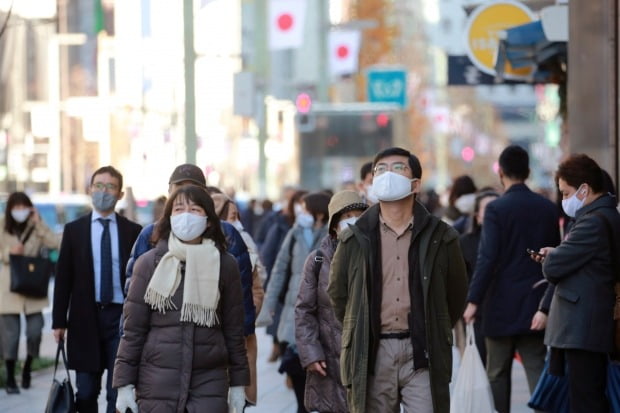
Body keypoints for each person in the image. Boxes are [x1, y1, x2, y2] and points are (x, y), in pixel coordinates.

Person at [328, 147, 469, 413]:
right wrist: (358, 325)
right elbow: (339, 294)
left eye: (397, 168)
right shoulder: (354, 238)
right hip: (373, 351)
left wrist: (435, 324)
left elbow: (456, 293)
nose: (387, 174)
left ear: (415, 184)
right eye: (380, 170)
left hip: (422, 352)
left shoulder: (442, 236)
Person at [113, 185, 249, 413]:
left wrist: (238, 385)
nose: (186, 215)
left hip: (209, 383)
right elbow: (133, 330)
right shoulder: (148, 264)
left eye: (195, 209)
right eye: (179, 209)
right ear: (169, 218)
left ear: (208, 220)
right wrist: (124, 385)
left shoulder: (226, 265)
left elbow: (234, 331)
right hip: (157, 382)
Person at [463, 145, 561, 413]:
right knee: (538, 369)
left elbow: (488, 258)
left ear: (501, 173)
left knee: (497, 373)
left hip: (500, 305)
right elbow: (555, 258)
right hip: (535, 303)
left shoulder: (496, 209)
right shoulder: (548, 208)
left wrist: (473, 301)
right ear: (528, 172)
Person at [124, 164, 255, 342]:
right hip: (161, 345)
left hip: (212, 344)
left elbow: (241, 291)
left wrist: (243, 337)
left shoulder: (227, 234)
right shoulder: (151, 234)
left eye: (193, 191)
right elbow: (133, 292)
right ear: (169, 192)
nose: (185, 197)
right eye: (179, 189)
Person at [52, 166, 142, 413]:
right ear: (90, 190)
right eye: (99, 186)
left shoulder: (132, 231)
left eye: (110, 187)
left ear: (120, 194)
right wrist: (58, 322)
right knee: (87, 390)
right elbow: (63, 278)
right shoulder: (74, 231)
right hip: (84, 319)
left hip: (120, 320)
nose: (104, 191)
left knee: (119, 391)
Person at [535, 154, 620, 413]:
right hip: (589, 324)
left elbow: (553, 267)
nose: (564, 200)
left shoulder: (592, 222)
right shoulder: (604, 216)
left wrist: (553, 258)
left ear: (585, 189)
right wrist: (559, 253)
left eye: (566, 192)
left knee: (586, 398)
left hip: (583, 327)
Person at [257, 191, 331, 413]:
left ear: (319, 213)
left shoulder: (332, 235)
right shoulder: (295, 233)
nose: (301, 213)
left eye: (305, 209)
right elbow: (279, 270)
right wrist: (269, 305)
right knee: (298, 370)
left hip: (324, 312)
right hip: (294, 310)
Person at [295, 190, 368, 413]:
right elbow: (304, 311)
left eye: (358, 215)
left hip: (366, 360)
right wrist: (311, 354)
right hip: (329, 361)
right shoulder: (317, 261)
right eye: (346, 217)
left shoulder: (377, 256)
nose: (352, 221)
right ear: (335, 225)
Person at [0, 192, 59, 393]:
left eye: (23, 206)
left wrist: (38, 222)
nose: (20, 211)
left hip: (34, 285)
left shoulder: (37, 225)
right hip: (9, 287)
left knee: (35, 331)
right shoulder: (2, 225)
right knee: (10, 335)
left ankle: (27, 367)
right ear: (10, 209)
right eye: (15, 207)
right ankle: (10, 378)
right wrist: (8, 253)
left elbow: (55, 243)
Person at [213, 193, 266, 406]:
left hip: (238, 337)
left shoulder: (243, 241)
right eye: (230, 215)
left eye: (236, 215)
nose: (235, 221)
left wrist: (246, 312)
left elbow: (256, 287)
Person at [258, 188, 308, 362]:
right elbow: (268, 255)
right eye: (297, 204)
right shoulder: (278, 224)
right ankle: (279, 347)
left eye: (305, 205)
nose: (301, 209)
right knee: (281, 321)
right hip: (284, 286)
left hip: (304, 285)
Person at [458, 189, 500, 363]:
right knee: (481, 362)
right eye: (487, 209)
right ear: (477, 215)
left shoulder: (507, 239)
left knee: (498, 367)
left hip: (503, 310)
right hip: (477, 312)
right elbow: (460, 280)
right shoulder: (465, 242)